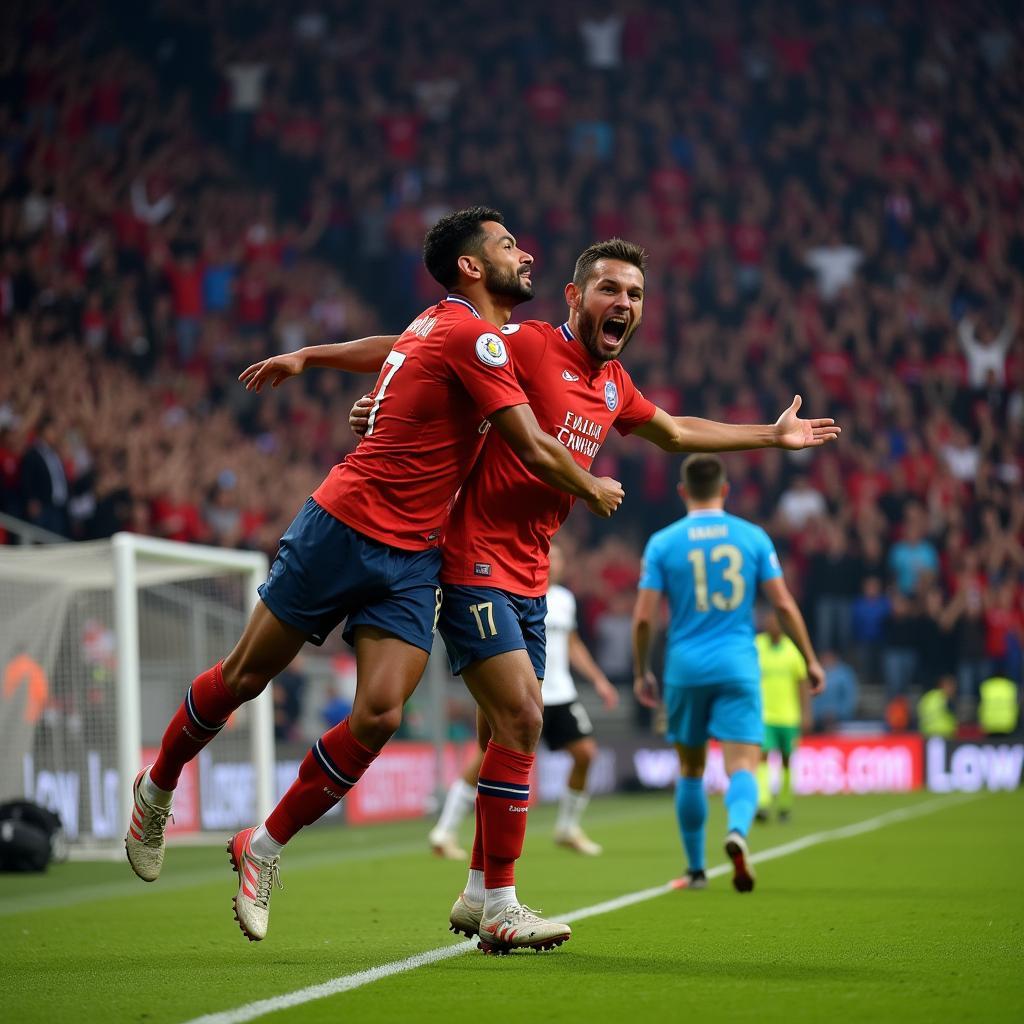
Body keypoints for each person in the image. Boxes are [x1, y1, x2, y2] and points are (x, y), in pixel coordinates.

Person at [124, 207, 625, 945]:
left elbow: (388, 348)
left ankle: (261, 847)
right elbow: (527, 439)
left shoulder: (458, 330)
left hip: (415, 556)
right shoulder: (466, 331)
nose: (526, 255)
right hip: (344, 524)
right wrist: (588, 485)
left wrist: (309, 358)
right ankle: (157, 782)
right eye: (508, 244)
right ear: (471, 266)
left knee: (382, 714)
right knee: (244, 677)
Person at [350, 238, 839, 951]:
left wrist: (770, 434)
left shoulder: (613, 385)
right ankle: (500, 903)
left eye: (635, 295)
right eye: (610, 289)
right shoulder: (524, 343)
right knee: (520, 716)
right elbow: (421, 344)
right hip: (471, 556)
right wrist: (358, 382)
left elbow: (673, 432)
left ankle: (477, 893)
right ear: (575, 296)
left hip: (530, 574)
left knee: (507, 731)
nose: (625, 304)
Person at [632, 454, 825, 893]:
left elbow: (644, 619)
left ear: (683, 493)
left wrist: (643, 670)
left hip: (685, 667)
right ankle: (737, 829)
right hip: (738, 663)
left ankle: (697, 869)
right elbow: (782, 605)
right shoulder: (753, 538)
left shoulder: (663, 543)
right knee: (743, 765)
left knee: (691, 768)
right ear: (724, 490)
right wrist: (810, 659)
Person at [427, 541, 619, 862]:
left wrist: (599, 680)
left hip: (560, 693)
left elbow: (573, 645)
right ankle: (445, 830)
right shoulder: (518, 593)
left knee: (585, 753)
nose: (554, 564)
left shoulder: (565, 600)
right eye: (549, 557)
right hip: (524, 693)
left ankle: (568, 827)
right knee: (486, 756)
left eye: (558, 559)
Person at [754, 606, 812, 823]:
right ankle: (763, 803)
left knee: (787, 761)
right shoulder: (756, 646)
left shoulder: (792, 651)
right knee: (762, 757)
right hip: (764, 715)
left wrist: (806, 713)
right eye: (768, 621)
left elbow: (802, 683)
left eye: (776, 621)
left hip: (789, 716)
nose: (772, 625)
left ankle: (785, 804)